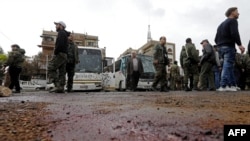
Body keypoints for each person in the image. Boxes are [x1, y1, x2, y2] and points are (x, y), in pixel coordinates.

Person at [215, 7, 245, 91]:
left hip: (220, 47)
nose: (238, 13)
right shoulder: (233, 21)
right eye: (237, 12)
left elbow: (215, 38)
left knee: (230, 66)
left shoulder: (221, 24)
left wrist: (220, 45)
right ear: (232, 13)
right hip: (228, 46)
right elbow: (234, 33)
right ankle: (223, 85)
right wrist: (239, 45)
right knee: (227, 65)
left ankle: (232, 85)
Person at [48, 21, 68, 93]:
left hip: (60, 54)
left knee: (50, 67)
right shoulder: (64, 33)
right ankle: (61, 87)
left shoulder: (61, 33)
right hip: (64, 55)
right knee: (62, 71)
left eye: (57, 25)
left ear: (61, 26)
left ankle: (57, 85)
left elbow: (60, 44)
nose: (56, 26)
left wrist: (56, 52)